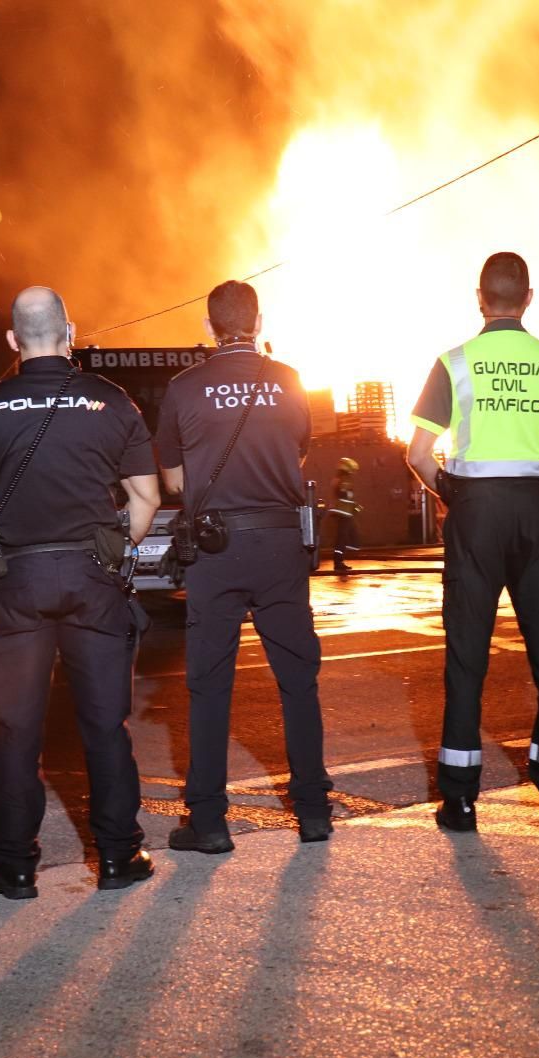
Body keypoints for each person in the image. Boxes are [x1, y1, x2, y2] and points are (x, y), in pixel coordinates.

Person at [0, 286, 159, 899]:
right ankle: (118, 859)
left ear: (13, 340)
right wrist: (113, 549)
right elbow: (145, 497)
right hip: (95, 582)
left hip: (17, 585)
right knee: (106, 725)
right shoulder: (111, 401)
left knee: (17, 729)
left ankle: (14, 868)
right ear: (71, 331)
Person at [406, 252, 539, 831]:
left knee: (468, 656)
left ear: (479, 298)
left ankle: (461, 799)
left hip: (475, 513)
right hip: (536, 512)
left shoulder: (454, 363)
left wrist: (451, 495)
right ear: (529, 298)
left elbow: (416, 453)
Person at [156, 280, 333, 853]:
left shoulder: (183, 389)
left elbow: (174, 481)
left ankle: (208, 823)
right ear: (259, 323)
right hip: (281, 545)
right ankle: (313, 813)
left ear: (208, 327)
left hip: (215, 548)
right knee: (298, 680)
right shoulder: (289, 380)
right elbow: (298, 448)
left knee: (209, 686)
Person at [328, 457, 363, 573]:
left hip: (344, 513)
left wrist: (356, 508)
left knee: (345, 537)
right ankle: (338, 562)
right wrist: (356, 508)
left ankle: (340, 560)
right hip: (344, 513)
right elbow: (347, 496)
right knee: (342, 538)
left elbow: (346, 497)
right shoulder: (345, 479)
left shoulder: (339, 478)